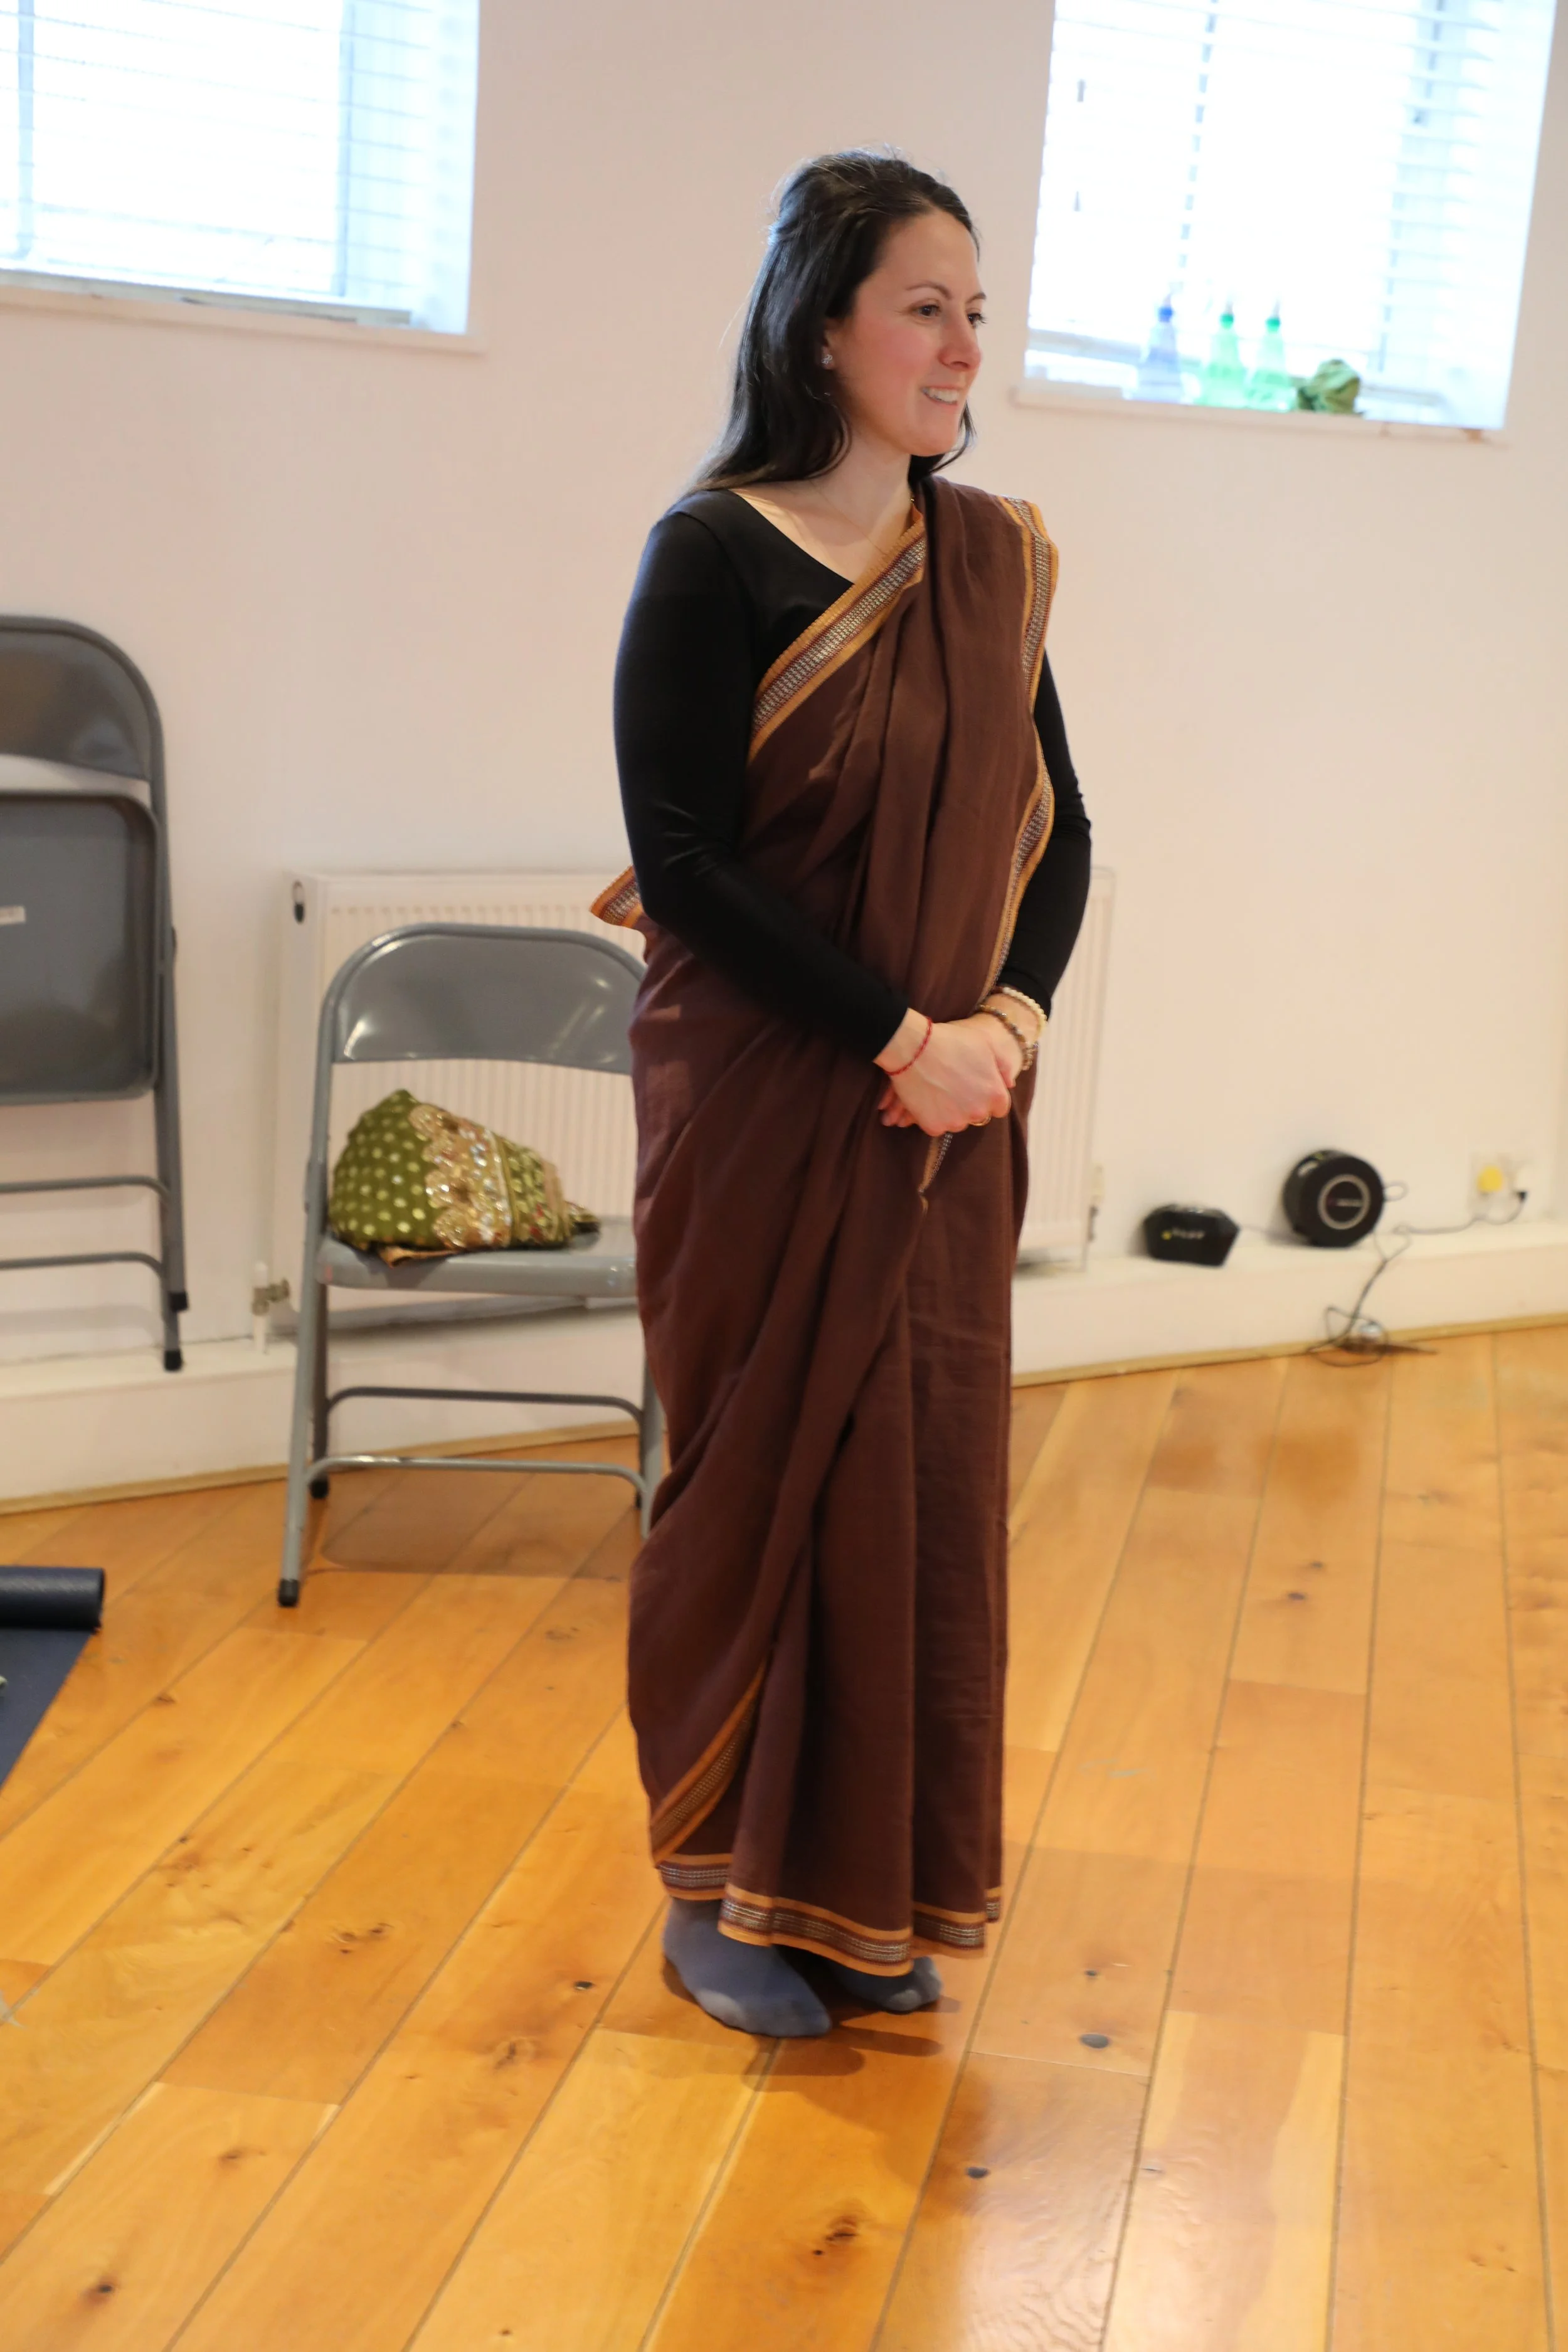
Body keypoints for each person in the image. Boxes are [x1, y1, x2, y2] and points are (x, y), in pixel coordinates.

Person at [595, 149, 1092, 2037]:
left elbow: (1065, 833)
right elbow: (688, 859)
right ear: (824, 329)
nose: (968, 342)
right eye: (925, 304)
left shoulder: (992, 564)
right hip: (764, 1100)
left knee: (916, 1487)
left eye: (977, 305)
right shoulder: (709, 550)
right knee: (756, 1480)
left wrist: (1008, 1032)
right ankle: (719, 1884)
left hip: (952, 1112)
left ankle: (857, 1883)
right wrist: (903, 1035)